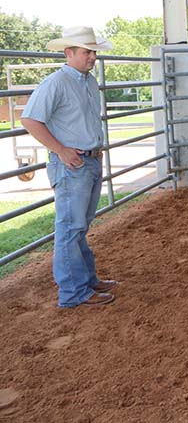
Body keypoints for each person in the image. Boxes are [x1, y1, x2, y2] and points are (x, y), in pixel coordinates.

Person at [20, 26, 119, 307]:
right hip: (72, 164)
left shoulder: (87, 81)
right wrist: (61, 150)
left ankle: (86, 280)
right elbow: (30, 120)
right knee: (70, 227)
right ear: (69, 53)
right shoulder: (55, 83)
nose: (92, 57)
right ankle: (73, 293)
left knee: (79, 226)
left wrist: (93, 147)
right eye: (87, 52)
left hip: (88, 159)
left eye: (93, 52)